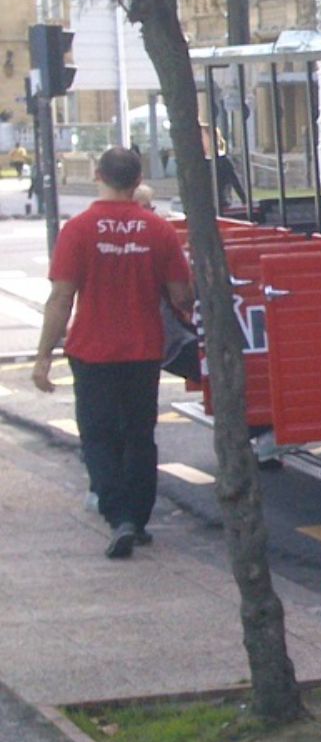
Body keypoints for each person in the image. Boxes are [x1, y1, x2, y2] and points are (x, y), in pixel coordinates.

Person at [31, 146, 194, 558]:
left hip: (92, 350)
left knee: (98, 436)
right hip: (143, 348)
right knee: (140, 435)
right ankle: (137, 519)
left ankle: (117, 513)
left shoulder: (79, 229)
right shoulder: (158, 230)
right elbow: (182, 293)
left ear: (99, 175)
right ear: (138, 181)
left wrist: (44, 355)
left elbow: (61, 297)